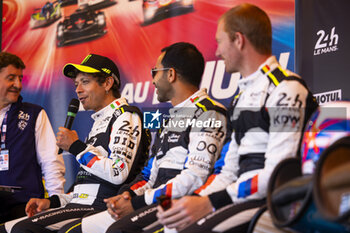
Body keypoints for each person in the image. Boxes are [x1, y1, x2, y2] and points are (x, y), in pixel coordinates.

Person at [157, 3, 317, 232]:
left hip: (275, 202)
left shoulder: (286, 89)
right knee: (175, 223)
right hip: (243, 195)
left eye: (220, 41)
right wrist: (193, 200)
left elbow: (277, 175)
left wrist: (209, 202)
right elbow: (230, 172)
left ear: (239, 40)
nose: (217, 52)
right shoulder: (240, 98)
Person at [79, 42, 227, 233]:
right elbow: (151, 174)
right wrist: (127, 194)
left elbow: (194, 178)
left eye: (154, 72)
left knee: (119, 230)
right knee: (80, 229)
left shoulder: (209, 112)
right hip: (155, 199)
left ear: (171, 74)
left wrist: (139, 201)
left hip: (183, 203)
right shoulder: (171, 119)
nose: (153, 81)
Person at [1, 54, 150, 233]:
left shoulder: (125, 115)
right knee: (6, 229)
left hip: (102, 206)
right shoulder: (99, 122)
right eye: (76, 84)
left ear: (108, 83)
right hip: (80, 204)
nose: (78, 90)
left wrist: (76, 147)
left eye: (85, 82)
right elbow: (84, 188)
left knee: (23, 229)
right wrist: (53, 202)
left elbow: (118, 172)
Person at [0, 52, 65, 223]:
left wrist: (55, 202)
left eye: (20, 78)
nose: (18, 84)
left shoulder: (33, 114)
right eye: (11, 78)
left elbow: (51, 162)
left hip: (25, 205)